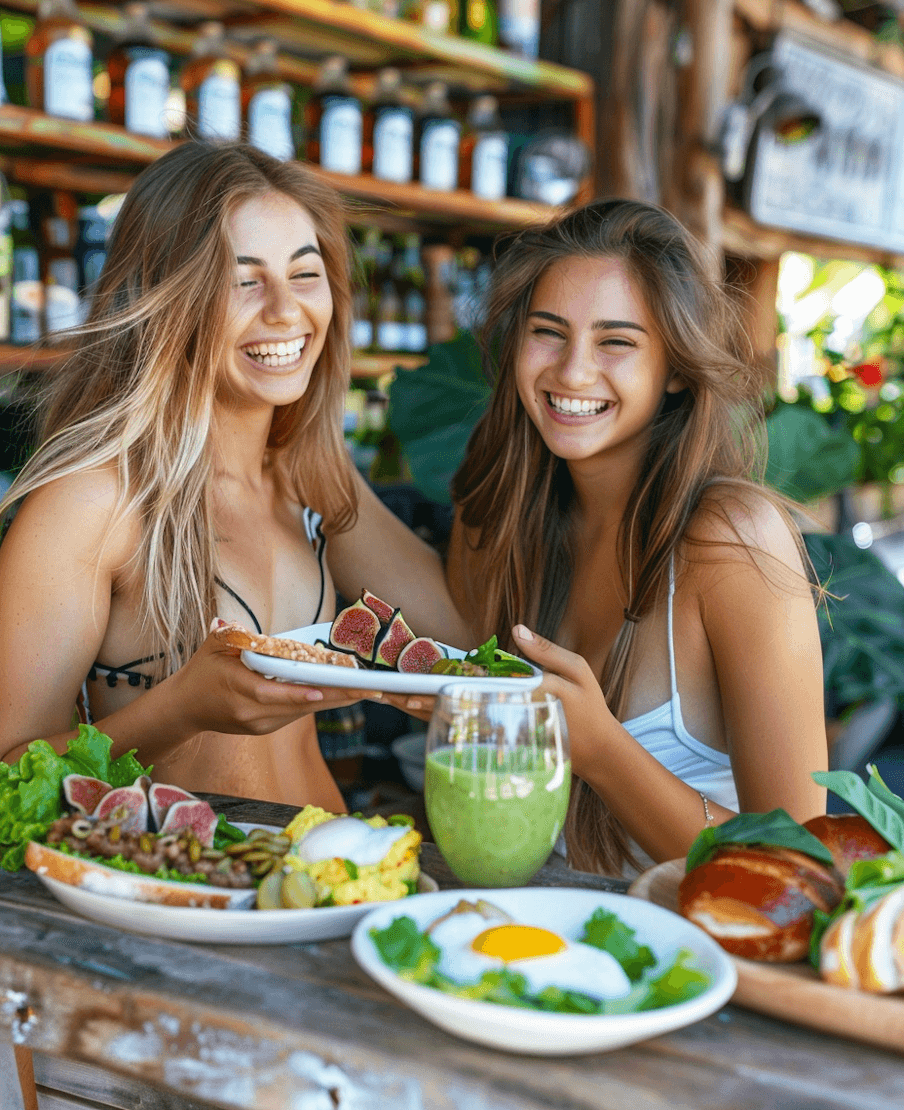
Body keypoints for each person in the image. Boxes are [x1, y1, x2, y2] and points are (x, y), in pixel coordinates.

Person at [0, 141, 466, 810]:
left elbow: (459, 632)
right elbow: (9, 777)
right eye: (243, 279)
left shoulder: (312, 478)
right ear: (166, 298)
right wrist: (179, 710)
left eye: (304, 275)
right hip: (185, 896)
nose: (283, 310)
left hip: (329, 875)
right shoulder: (96, 498)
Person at [446, 198, 828, 875]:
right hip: (526, 945)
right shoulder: (502, 519)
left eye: (615, 341)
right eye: (548, 332)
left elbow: (796, 864)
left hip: (689, 966)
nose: (571, 372)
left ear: (677, 368)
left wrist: (598, 749)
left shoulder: (729, 540)